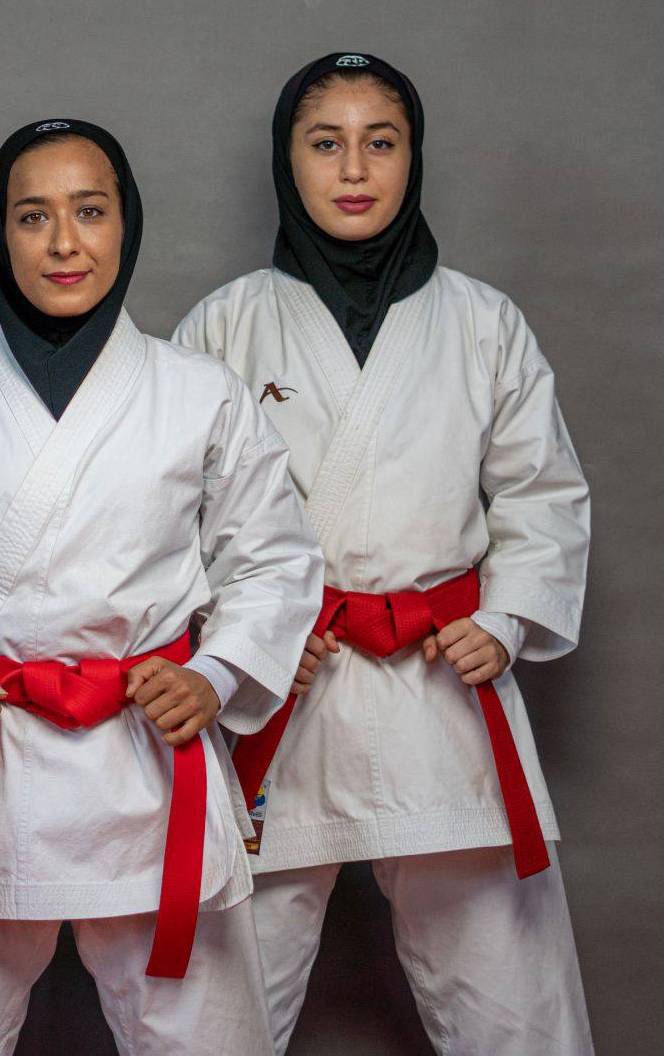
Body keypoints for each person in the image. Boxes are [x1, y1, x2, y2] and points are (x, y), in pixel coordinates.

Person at [0, 118, 324, 1055]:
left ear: (128, 224)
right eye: (33, 216)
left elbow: (275, 556)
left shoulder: (201, 393)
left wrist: (214, 673)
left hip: (150, 752)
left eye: (90, 211)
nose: (65, 242)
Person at [173, 52, 593, 1053]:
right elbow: (166, 520)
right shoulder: (223, 326)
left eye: (380, 142)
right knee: (212, 1016)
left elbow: (542, 493)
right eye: (326, 143)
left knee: (512, 1010)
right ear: (287, 161)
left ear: (414, 157)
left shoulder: (483, 322)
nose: (354, 168)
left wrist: (506, 618)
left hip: (439, 686)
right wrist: (235, 643)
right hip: (279, 695)